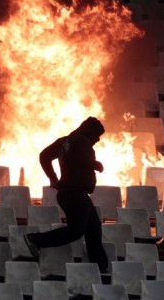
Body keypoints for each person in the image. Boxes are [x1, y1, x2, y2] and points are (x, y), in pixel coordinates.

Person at [24, 117, 109, 273]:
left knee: (93, 229)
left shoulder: (65, 141)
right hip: (75, 193)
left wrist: (53, 177)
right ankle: (36, 240)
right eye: (97, 135)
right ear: (89, 131)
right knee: (77, 230)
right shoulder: (82, 141)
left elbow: (44, 156)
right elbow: (80, 159)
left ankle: (100, 268)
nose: (97, 139)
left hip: (73, 193)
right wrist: (95, 165)